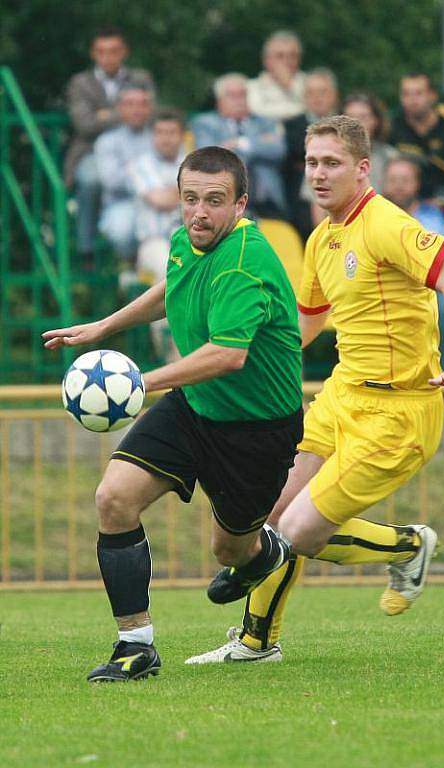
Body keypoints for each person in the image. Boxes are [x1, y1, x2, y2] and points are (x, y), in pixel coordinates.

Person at [186, 115, 444, 664]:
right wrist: (241, 360)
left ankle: (408, 545)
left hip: (399, 412)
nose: (318, 174)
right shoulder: (322, 237)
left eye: (331, 163)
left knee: (296, 532)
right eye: (311, 162)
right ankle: (256, 642)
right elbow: (305, 325)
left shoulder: (387, 225)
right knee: (271, 512)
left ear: (363, 169)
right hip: (343, 396)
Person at [42, 146, 304, 682]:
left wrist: (139, 383)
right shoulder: (189, 241)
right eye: (190, 199)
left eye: (214, 201)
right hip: (193, 406)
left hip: (257, 429)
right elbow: (173, 289)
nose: (198, 213)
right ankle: (134, 646)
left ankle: (264, 556)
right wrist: (102, 328)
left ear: (241, 204)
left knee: (230, 548)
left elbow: (229, 355)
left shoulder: (244, 262)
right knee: (113, 498)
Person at [64, 28, 155, 268]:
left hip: (135, 144)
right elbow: (84, 124)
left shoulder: (140, 78)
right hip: (92, 150)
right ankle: (86, 246)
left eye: (114, 51)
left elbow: (150, 113)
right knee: (92, 178)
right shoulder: (80, 82)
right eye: (102, 52)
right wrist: (124, 112)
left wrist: (105, 115)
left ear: (123, 52)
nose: (108, 57)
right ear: (94, 54)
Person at [382, 155, 444, 368]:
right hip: (383, 287)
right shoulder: (372, 215)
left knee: (442, 304)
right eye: (393, 180)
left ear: (417, 184)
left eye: (405, 180)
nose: (398, 186)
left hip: (424, 288)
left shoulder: (432, 216)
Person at [192, 73, 287, 218]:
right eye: (232, 95)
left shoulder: (266, 122)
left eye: (243, 95)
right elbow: (207, 157)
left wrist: (242, 143)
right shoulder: (205, 123)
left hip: (267, 201)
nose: (239, 101)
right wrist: (258, 143)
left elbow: (279, 150)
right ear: (219, 100)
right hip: (222, 200)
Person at [389, 73, 444, 204]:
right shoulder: (392, 128)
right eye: (406, 94)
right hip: (400, 202)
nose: (412, 100)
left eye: (418, 93)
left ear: (432, 95)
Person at [95, 83, 154, 261]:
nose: (137, 109)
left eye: (142, 104)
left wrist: (131, 171)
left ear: (149, 108)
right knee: (122, 232)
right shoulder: (107, 141)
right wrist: (149, 187)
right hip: (122, 203)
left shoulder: (160, 136)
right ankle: (134, 267)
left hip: (161, 203)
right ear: (120, 108)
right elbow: (111, 180)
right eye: (130, 104)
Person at [129, 107, 186, 284]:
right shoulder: (140, 164)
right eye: (160, 133)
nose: (166, 139)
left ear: (182, 135)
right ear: (152, 136)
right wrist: (188, 192)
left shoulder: (192, 162)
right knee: (170, 269)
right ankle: (173, 314)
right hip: (154, 242)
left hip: (188, 238)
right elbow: (160, 200)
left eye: (171, 132)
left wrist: (171, 191)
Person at [283, 68, 340, 240]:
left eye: (322, 92)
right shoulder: (291, 125)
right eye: (311, 93)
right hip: (299, 202)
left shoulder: (346, 123)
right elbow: (296, 151)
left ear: (334, 95)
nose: (317, 98)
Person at [342, 92, 398, 193]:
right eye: (349, 118)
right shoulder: (326, 156)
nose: (356, 124)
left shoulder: (391, 157)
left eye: (363, 117)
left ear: (376, 121)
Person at [247, 30, 306, 122]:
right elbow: (256, 113)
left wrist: (290, 86)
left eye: (293, 55)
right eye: (280, 56)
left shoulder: (310, 84)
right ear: (266, 60)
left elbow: (314, 112)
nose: (287, 61)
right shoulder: (251, 87)